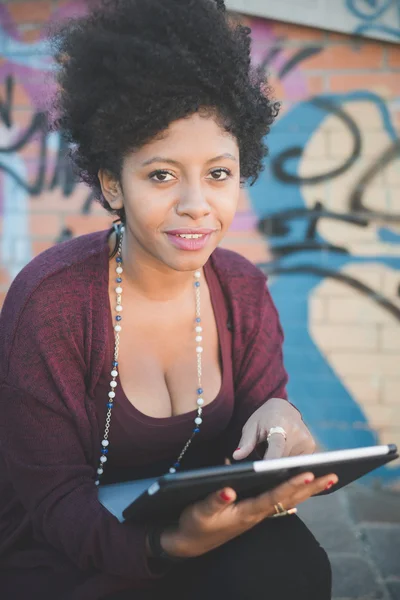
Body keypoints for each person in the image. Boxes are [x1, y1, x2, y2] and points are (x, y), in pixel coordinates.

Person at [0, 1, 337, 598]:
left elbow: (265, 403)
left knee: (294, 567)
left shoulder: (241, 289)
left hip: (197, 529)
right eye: (161, 175)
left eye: (218, 173)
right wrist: (169, 544)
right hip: (65, 553)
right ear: (112, 182)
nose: (195, 205)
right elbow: (53, 503)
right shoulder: (51, 303)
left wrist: (280, 420)